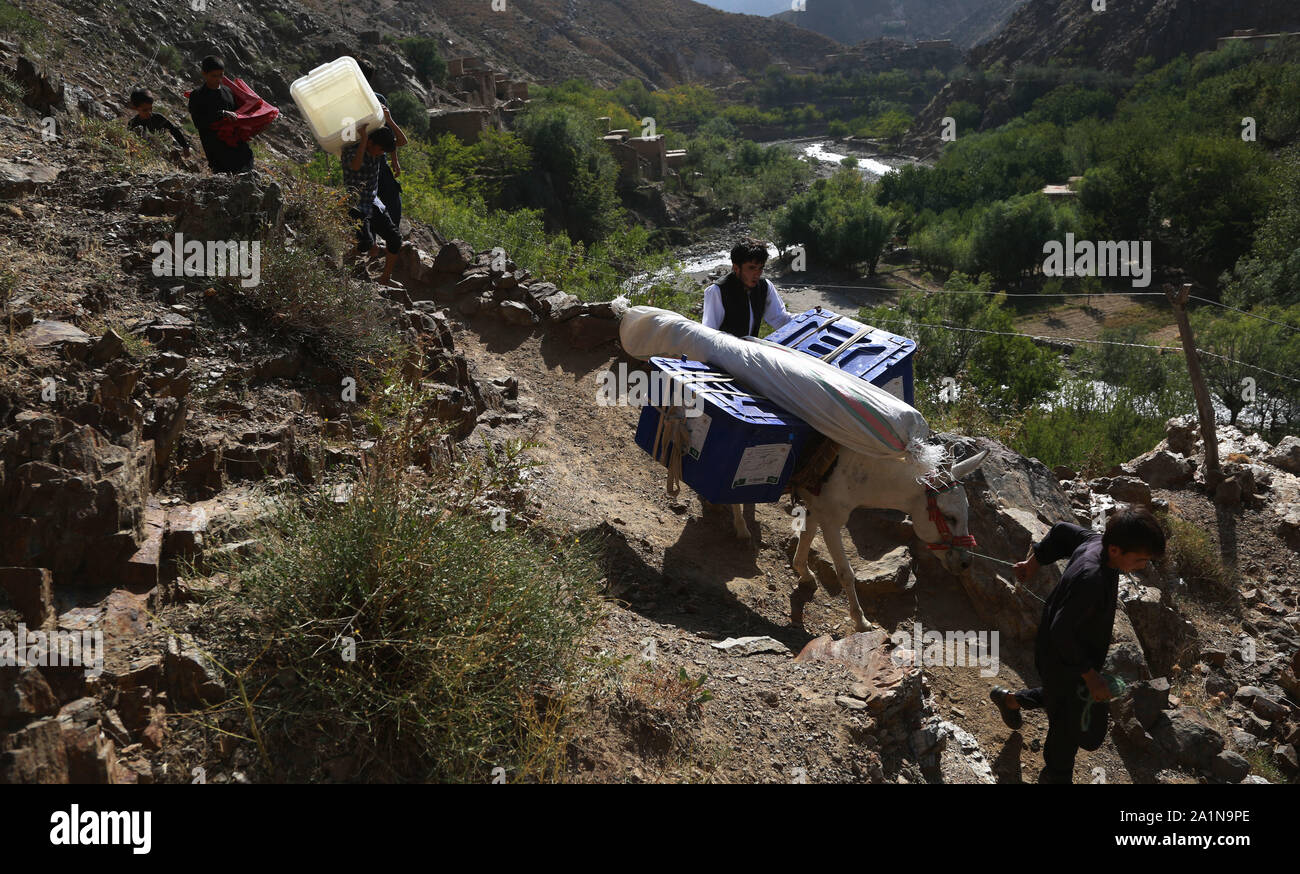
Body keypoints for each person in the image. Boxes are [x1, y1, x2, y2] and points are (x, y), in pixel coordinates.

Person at [990, 507, 1166, 784]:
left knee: (1065, 702)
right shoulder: (1092, 578)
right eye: (1140, 559)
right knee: (1067, 728)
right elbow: (1062, 632)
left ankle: (1009, 700)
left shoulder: (1099, 543)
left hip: (1073, 652)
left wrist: (1033, 564)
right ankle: (1055, 776)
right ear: (1117, 550)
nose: (1143, 566)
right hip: (1061, 654)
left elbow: (1061, 531)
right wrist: (1091, 676)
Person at [342, 123, 404, 287]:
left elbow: (401, 142)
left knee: (395, 239)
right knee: (366, 243)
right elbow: (355, 166)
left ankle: (385, 278)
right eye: (380, 149)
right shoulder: (350, 150)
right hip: (354, 204)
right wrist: (363, 140)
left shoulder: (378, 154)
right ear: (370, 143)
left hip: (373, 203)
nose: (381, 154)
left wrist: (389, 121)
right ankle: (343, 263)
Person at [701, 240, 793, 338]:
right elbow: (709, 334)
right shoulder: (717, 291)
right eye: (751, 268)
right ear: (736, 268)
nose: (757, 274)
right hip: (725, 352)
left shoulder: (765, 286)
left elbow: (781, 319)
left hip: (751, 350)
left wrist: (809, 316)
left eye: (760, 268)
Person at [187, 55, 254, 174]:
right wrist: (221, 114)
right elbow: (199, 122)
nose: (218, 79)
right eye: (214, 76)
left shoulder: (228, 91)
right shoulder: (197, 95)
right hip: (215, 148)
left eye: (221, 75)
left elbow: (238, 114)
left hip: (235, 143)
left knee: (247, 162)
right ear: (204, 73)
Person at [127, 89, 191, 158]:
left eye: (150, 108)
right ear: (135, 108)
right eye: (145, 110)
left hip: (163, 153)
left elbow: (173, 130)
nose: (149, 112)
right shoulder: (133, 123)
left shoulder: (158, 118)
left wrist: (185, 146)